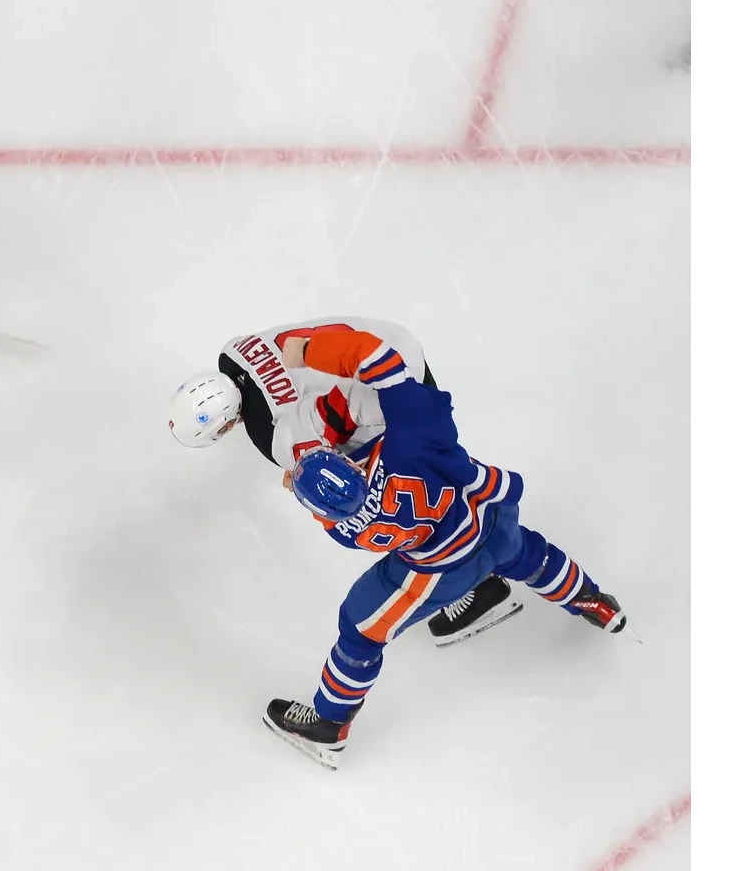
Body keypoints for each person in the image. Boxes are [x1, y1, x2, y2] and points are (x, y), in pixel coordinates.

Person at [246, 327, 626, 769]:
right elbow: (380, 358)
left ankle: (329, 726)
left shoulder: (344, 527)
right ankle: (593, 603)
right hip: (490, 520)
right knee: (532, 556)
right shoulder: (416, 439)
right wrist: (309, 349)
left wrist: (304, 472)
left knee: (361, 630)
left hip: (440, 569)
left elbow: (331, 500)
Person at [167, 320, 516, 645]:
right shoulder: (237, 350)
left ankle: (479, 582)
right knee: (434, 475)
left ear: (226, 426)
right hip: (393, 347)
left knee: (396, 505)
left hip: (384, 387)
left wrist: (413, 419)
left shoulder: (275, 436)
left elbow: (337, 450)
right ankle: (482, 547)